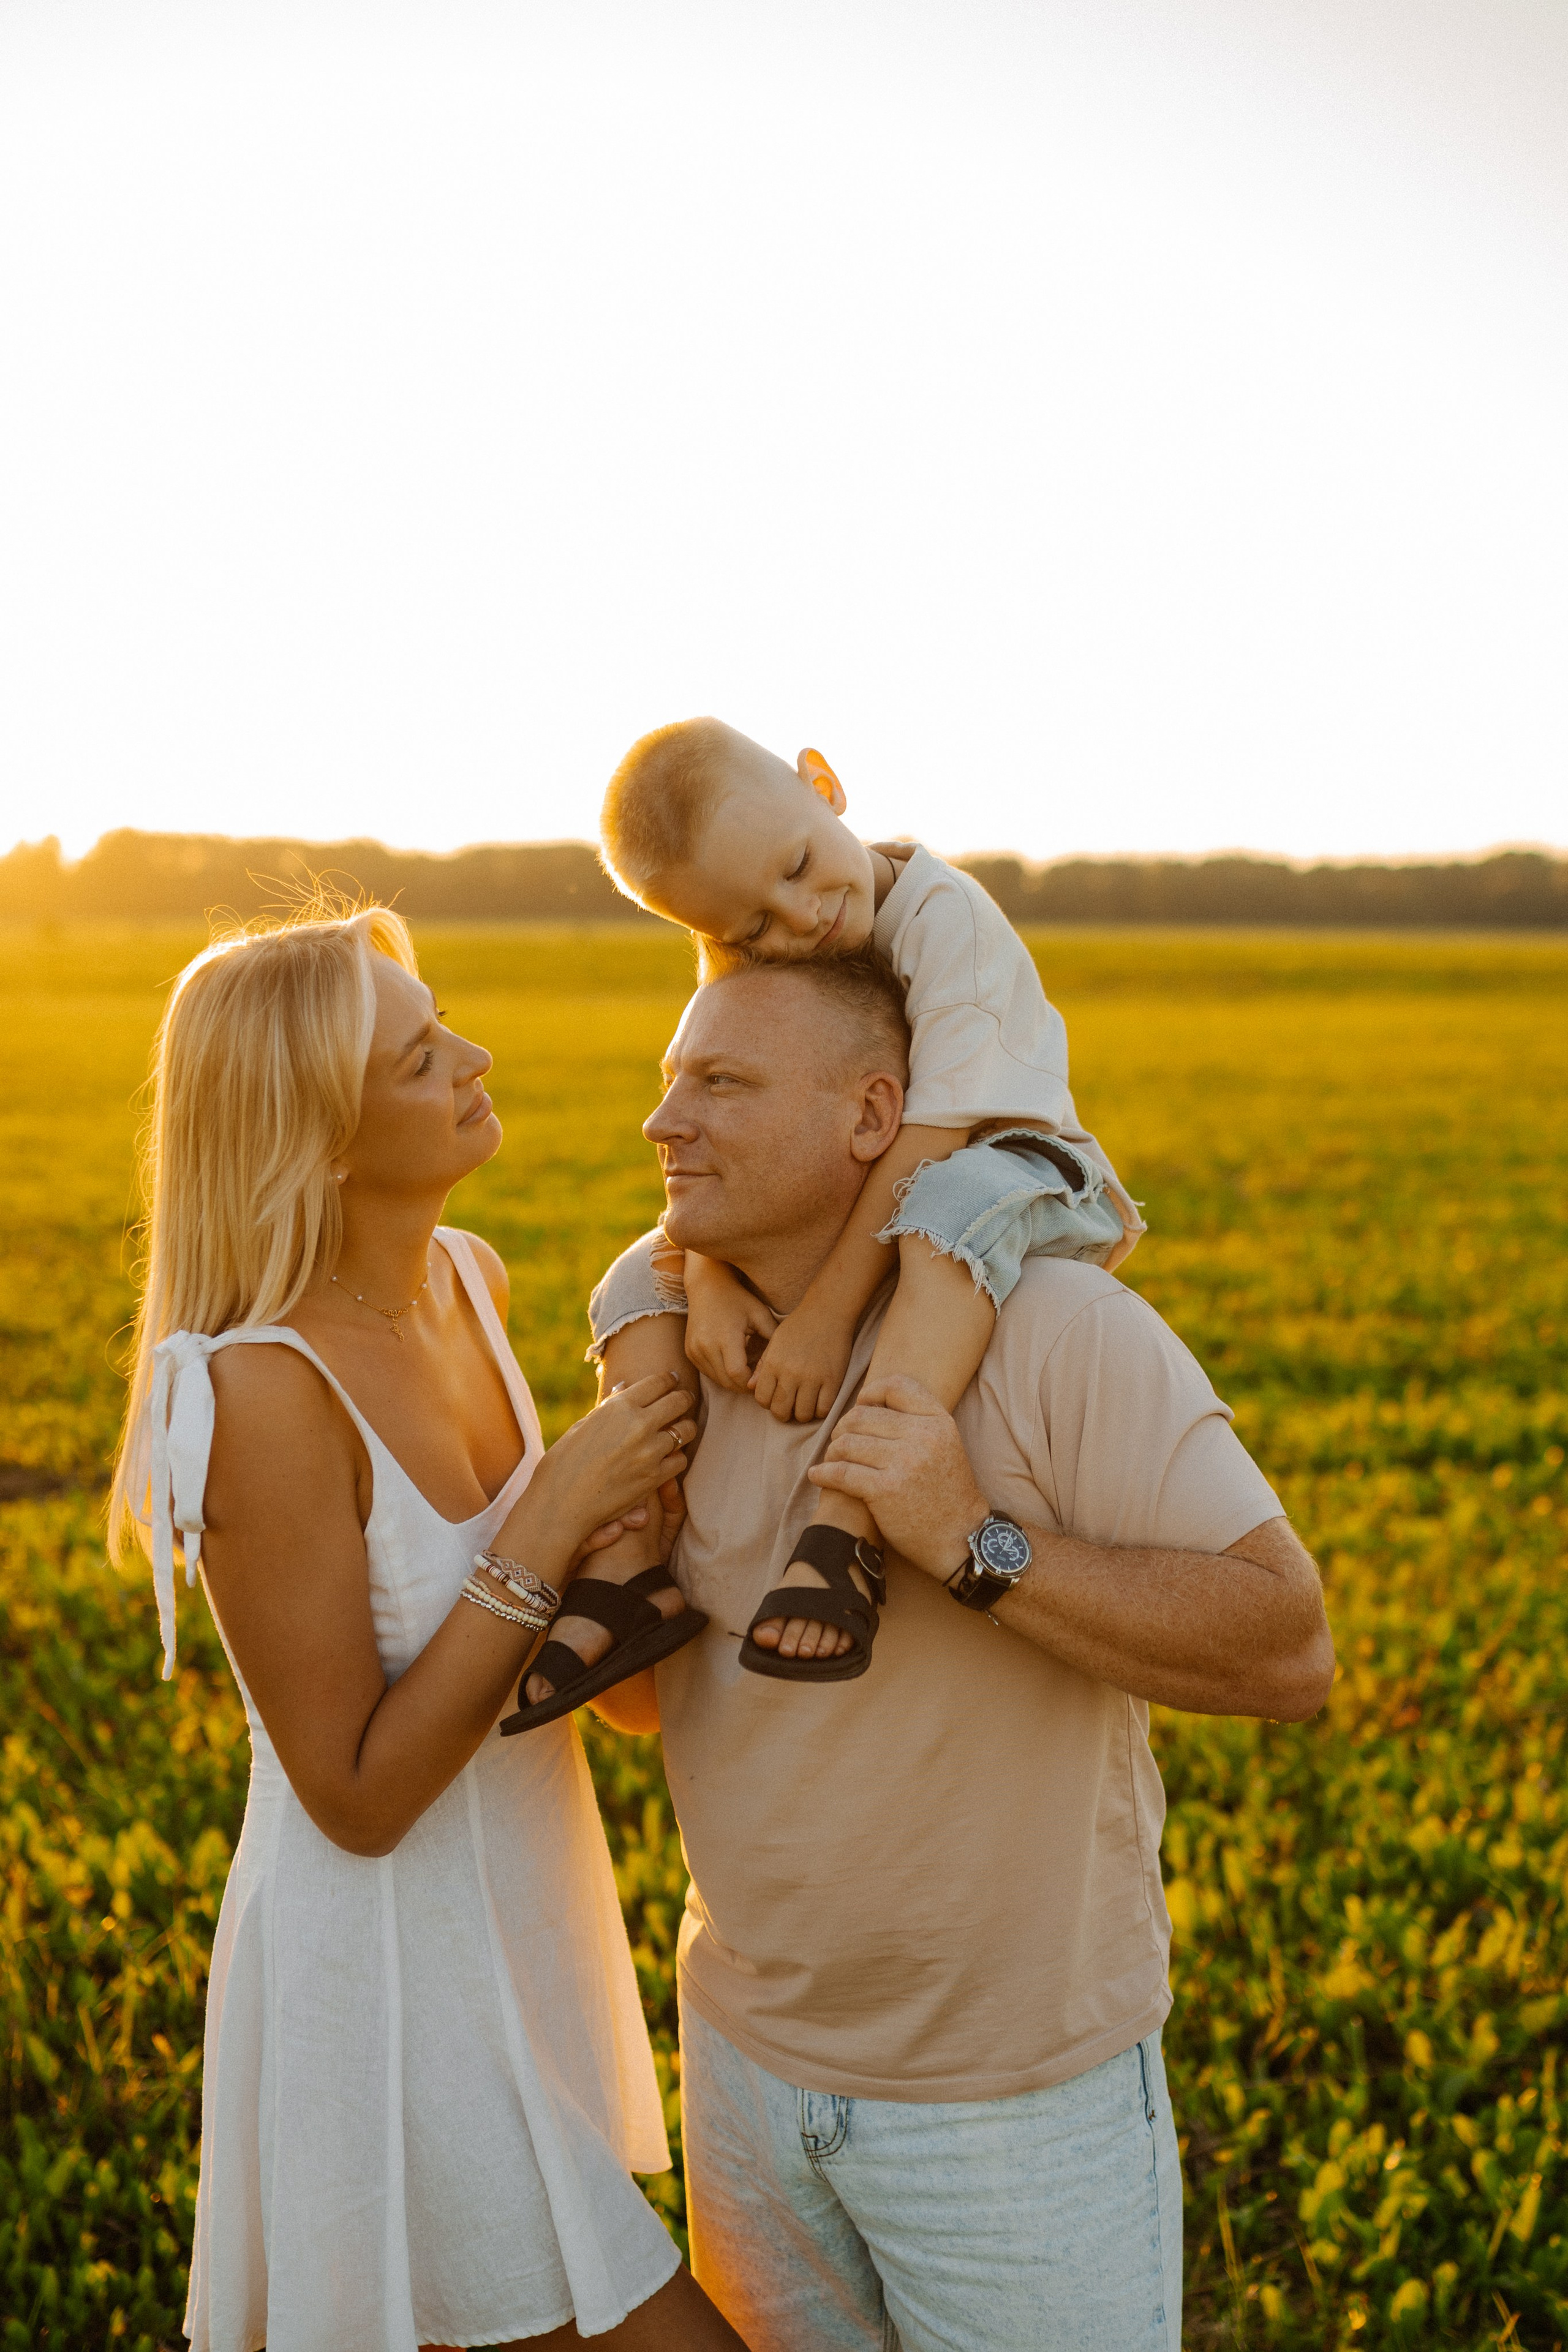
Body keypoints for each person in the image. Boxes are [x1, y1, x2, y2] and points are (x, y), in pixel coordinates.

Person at [582, 952, 1336, 2351]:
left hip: (1013, 2114)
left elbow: (1286, 1647)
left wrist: (969, 1539)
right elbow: (638, 1710)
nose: (662, 1121)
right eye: (669, 1080)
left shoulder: (1061, 1336)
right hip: (745, 2075)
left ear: (875, 1117)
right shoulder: (677, 1352)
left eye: (721, 1083)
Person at [108, 902, 745, 2352]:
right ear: (319, 1137)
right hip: (387, 1982)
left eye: (441, 1018)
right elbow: (357, 1794)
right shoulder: (261, 1395)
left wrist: (617, 1556)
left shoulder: (469, 1280)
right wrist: (549, 1514)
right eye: (416, 1059)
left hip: (518, 1930)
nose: (474, 1052)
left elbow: (581, 1685)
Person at [564, 715, 1142, 1709]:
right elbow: (716, 1097)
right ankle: (629, 1564)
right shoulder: (750, 938)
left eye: (796, 864)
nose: (799, 919)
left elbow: (925, 1144)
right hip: (883, 1186)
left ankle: (845, 1530)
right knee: (634, 1277)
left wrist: (826, 1321)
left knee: (949, 1205)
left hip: (1022, 1176)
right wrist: (703, 1277)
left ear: (823, 784)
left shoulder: (944, 917)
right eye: (748, 928)